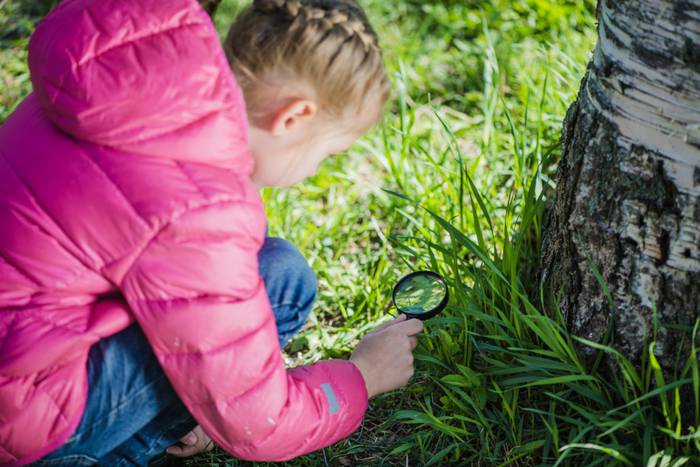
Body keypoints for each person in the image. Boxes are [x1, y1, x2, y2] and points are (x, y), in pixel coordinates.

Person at [0, 0, 424, 465]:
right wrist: (362, 375)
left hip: (23, 349)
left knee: (272, 269)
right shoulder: (199, 206)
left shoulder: (121, 80)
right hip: (18, 420)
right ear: (294, 117)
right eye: (327, 152)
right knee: (282, 282)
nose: (312, 169)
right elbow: (260, 426)